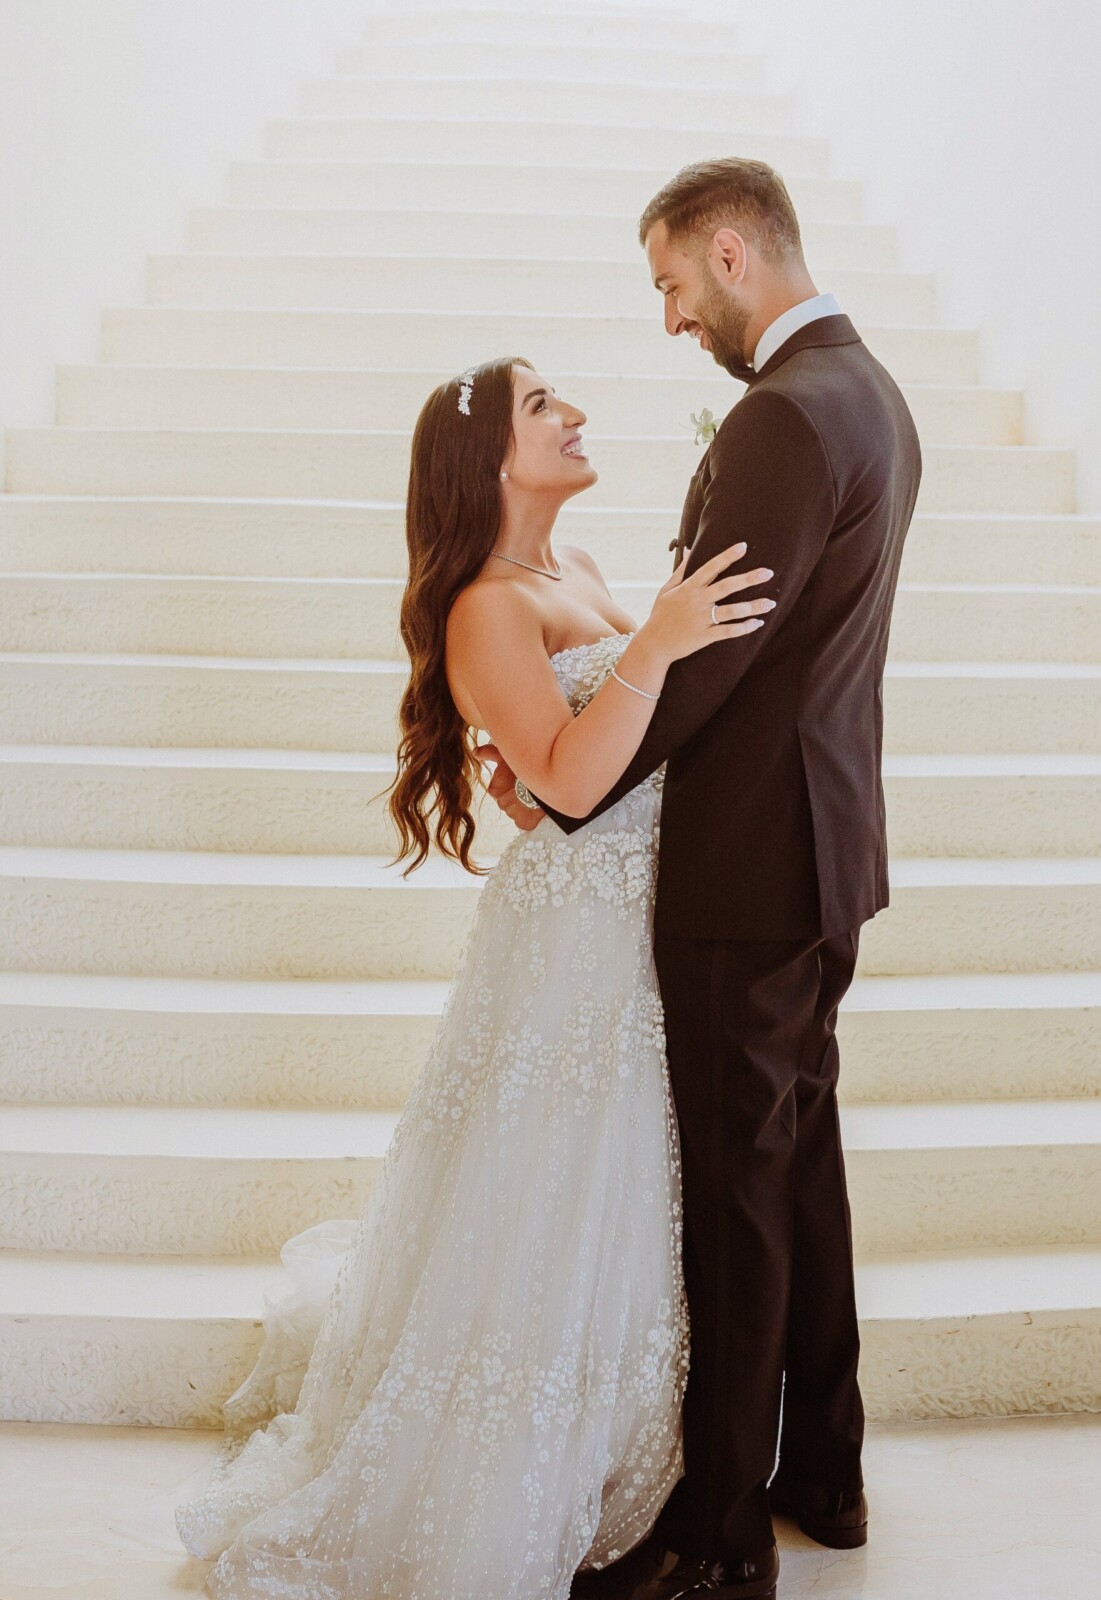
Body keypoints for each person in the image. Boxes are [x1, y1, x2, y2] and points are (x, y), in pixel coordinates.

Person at [172, 353, 773, 1600]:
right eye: (543, 406)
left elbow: (592, 776)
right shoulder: (483, 608)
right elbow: (560, 776)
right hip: (573, 948)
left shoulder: (589, 574)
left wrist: (654, 640)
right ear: (488, 459)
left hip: (648, 917)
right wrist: (656, 646)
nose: (575, 414)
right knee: (552, 1185)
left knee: (622, 1193)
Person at [491, 158, 923, 1600]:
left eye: (674, 286)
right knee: (796, 1169)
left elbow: (706, 654)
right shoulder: (871, 397)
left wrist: (566, 779)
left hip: (749, 868)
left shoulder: (780, 420)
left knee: (738, 1198)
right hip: (825, 845)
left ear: (731, 252)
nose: (673, 320)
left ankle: (719, 1536)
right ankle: (827, 1469)